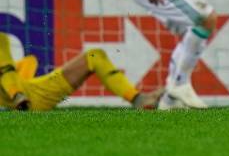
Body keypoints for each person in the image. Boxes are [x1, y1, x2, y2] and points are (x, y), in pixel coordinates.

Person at [0, 33, 162, 111]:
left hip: (31, 94)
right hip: (23, 99)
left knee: (94, 56)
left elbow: (26, 63)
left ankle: (137, 99)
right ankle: (17, 96)